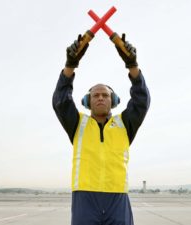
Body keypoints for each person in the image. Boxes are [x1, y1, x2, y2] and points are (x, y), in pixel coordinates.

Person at [52, 33, 150, 225]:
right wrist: (70, 65)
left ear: (112, 101)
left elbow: (141, 101)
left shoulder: (124, 123)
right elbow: (60, 101)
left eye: (105, 95)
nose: (100, 98)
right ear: (88, 102)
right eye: (95, 95)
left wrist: (132, 66)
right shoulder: (77, 124)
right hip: (85, 198)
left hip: (117, 197)